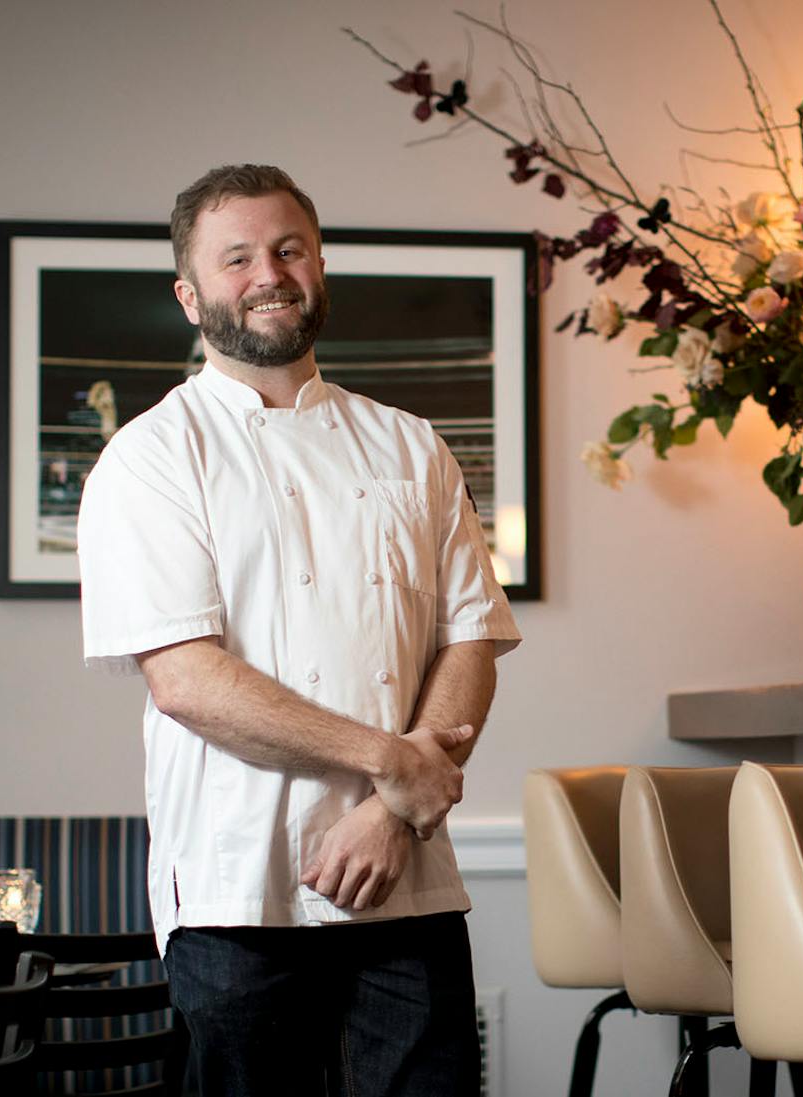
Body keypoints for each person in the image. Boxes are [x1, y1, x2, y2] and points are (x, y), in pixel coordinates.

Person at [76, 163, 521, 1096]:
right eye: (236, 257)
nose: (268, 272)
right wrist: (393, 763)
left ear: (320, 266)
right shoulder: (151, 458)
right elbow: (188, 679)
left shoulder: (411, 444)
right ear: (190, 294)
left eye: (289, 249)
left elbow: (470, 642)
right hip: (241, 885)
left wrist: (394, 806)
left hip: (409, 879)